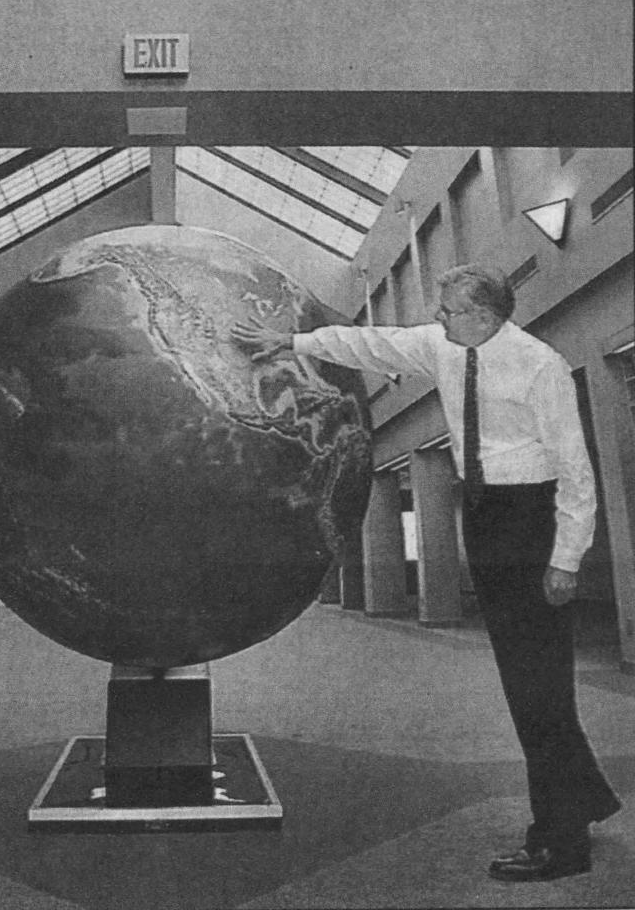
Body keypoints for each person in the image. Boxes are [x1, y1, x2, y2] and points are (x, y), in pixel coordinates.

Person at [231, 263, 620, 882]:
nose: (438, 319)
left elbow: (575, 472)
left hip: (531, 523)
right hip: (485, 515)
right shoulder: (443, 346)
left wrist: (566, 559)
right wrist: (292, 343)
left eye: (450, 309)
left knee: (538, 688)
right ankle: (587, 797)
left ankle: (560, 841)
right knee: (527, 684)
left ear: (486, 316)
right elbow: (371, 341)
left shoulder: (540, 365)